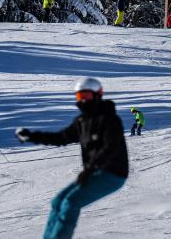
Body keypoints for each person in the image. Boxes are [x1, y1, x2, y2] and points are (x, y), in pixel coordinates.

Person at [15, 77, 128, 239]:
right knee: (58, 202)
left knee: (71, 203)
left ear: (98, 95)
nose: (82, 100)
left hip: (113, 174)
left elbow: (111, 148)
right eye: (79, 97)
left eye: (86, 96)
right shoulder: (82, 121)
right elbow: (61, 137)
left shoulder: (109, 119)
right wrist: (32, 136)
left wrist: (91, 168)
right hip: (94, 172)